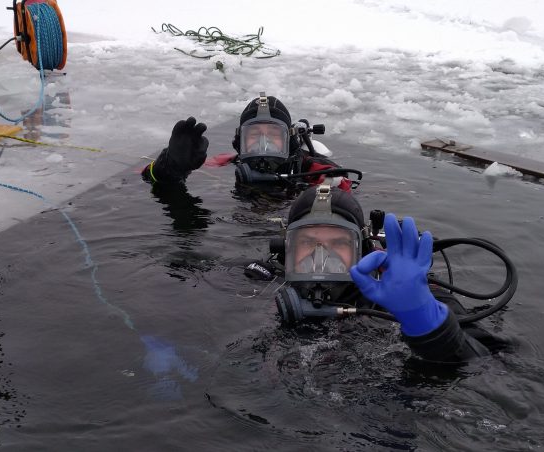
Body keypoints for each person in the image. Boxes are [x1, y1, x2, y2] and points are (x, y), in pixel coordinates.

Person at [268, 182, 516, 364]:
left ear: (361, 250)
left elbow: (493, 361)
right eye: (308, 243)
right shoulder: (264, 282)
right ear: (287, 248)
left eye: (338, 243)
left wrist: (425, 321)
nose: (321, 256)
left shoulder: (401, 290)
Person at [141, 93, 355, 193]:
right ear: (239, 142)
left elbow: (342, 188)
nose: (263, 143)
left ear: (289, 140)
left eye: (272, 134)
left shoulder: (314, 172)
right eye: (254, 135)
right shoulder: (223, 164)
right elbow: (143, 180)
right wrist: (171, 168)